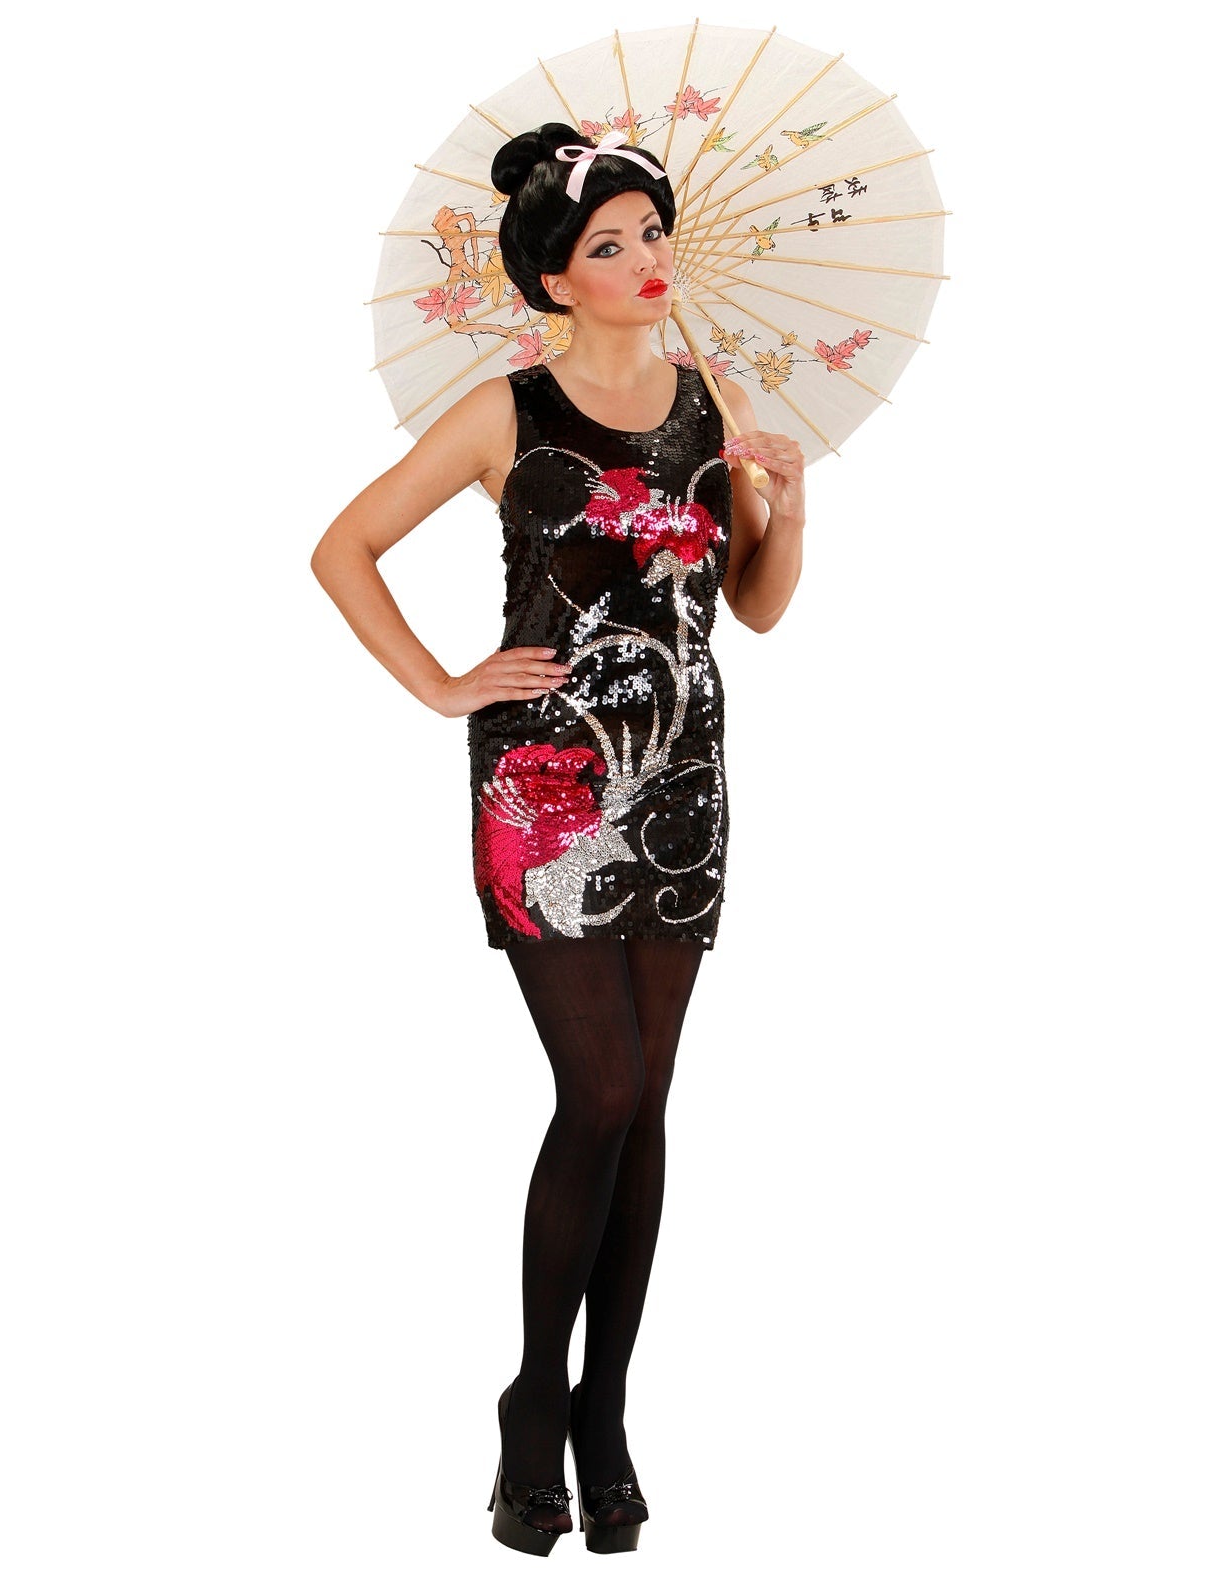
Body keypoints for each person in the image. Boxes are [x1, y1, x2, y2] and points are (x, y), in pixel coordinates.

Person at [310, 122, 806, 1555]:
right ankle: (535, 1400)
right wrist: (441, 684)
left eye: (654, 233)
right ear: (552, 279)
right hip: (545, 785)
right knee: (600, 1091)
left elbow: (754, 608)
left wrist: (787, 507)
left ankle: (606, 1409)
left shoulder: (714, 401)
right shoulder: (502, 411)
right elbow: (341, 548)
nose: (647, 260)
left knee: (647, 1103)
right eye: (610, 245)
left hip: (684, 779)